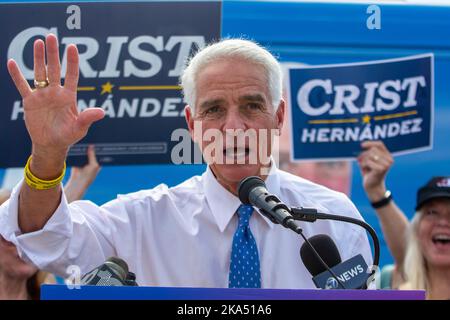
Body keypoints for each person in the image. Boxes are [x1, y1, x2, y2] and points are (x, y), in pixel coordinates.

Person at [0, 34, 372, 288]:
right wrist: (48, 154)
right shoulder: (141, 221)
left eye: (251, 106)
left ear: (278, 116)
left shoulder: (334, 218)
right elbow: (46, 238)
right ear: (193, 124)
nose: (233, 126)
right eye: (214, 109)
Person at [0, 146, 100, 300]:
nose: (22, 246)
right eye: (10, 239)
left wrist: (80, 180)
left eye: (29, 235)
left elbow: (49, 227)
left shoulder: (52, 294)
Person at [358, 140, 450, 299]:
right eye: (432, 212)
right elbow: (406, 250)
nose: (442, 222)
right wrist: (376, 191)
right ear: (417, 229)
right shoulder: (394, 285)